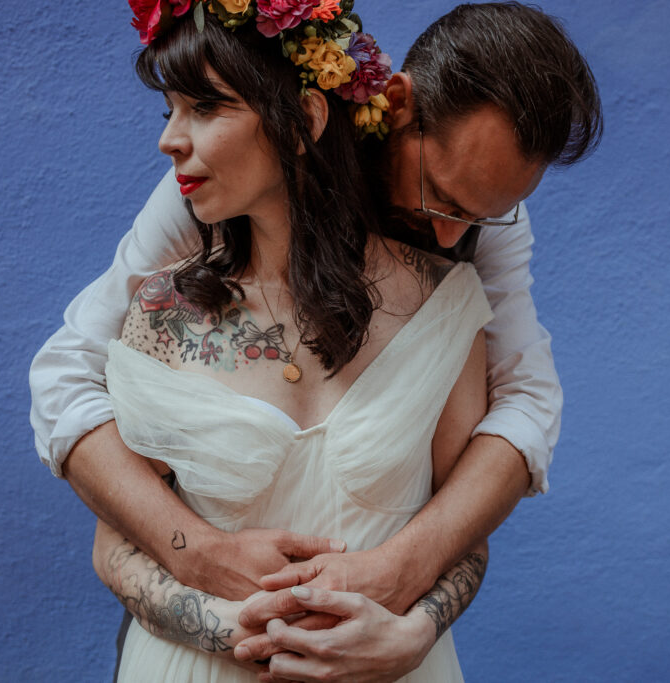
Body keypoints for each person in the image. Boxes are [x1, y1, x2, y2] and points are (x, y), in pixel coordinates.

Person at [29, 1, 602, 679]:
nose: (452, 237)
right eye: (439, 197)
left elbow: (526, 404)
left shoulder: (465, 259)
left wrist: (406, 591)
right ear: (397, 105)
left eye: (481, 215)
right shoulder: (222, 186)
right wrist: (197, 555)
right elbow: (70, 370)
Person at [93, 3, 491, 680]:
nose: (170, 139)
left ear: (305, 118)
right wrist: (228, 630)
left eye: (206, 108)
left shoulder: (441, 305)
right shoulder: (163, 313)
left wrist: (415, 630)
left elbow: (465, 536)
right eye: (169, 111)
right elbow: (115, 545)